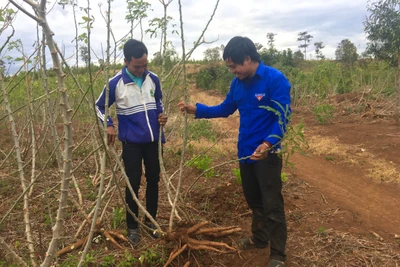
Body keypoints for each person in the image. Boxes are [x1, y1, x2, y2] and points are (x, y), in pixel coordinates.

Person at [178, 36, 290, 267]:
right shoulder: (237, 84)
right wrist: (196, 109)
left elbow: (283, 117)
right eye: (229, 67)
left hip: (267, 154)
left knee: (272, 203)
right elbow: (226, 108)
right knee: (253, 199)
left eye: (234, 66)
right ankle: (260, 238)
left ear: (248, 59)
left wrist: (268, 144)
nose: (232, 71)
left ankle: (278, 255)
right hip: (246, 153)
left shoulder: (275, 79)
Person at [95, 39, 167, 245]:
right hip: (132, 143)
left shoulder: (153, 78)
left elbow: (159, 102)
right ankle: (133, 227)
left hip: (153, 141)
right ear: (126, 61)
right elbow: (99, 107)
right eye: (137, 66)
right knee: (133, 183)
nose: (141, 69)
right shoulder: (114, 83)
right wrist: (108, 123)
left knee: (154, 180)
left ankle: (151, 221)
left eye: (145, 65)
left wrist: (162, 117)